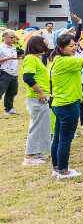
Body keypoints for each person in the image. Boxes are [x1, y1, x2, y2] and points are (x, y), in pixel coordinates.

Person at [50, 31, 83, 179]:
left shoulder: (58, 59)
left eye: (75, 45)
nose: (74, 48)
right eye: (71, 46)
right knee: (65, 139)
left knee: (58, 138)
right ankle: (64, 170)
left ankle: (57, 167)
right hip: (68, 105)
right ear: (62, 48)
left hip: (60, 104)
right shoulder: (67, 61)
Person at [21, 35, 50, 165]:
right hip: (37, 98)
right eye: (44, 43)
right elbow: (27, 77)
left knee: (41, 126)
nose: (46, 45)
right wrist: (40, 92)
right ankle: (30, 156)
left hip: (41, 97)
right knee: (36, 126)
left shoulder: (36, 58)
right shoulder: (30, 58)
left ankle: (37, 152)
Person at [0, 31, 20, 116]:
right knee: (0, 91)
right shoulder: (1, 47)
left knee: (12, 91)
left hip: (14, 73)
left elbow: (19, 41)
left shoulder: (14, 47)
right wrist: (8, 58)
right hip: (4, 72)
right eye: (11, 37)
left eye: (13, 37)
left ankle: (9, 108)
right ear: (4, 37)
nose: (13, 39)